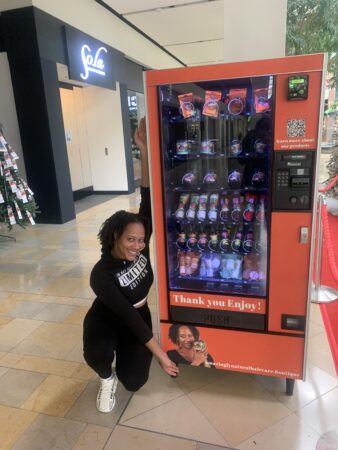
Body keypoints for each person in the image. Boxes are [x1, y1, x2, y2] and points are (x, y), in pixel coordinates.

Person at [83, 118, 179, 413]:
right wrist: (162, 355)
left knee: (135, 381)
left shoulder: (139, 246)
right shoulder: (102, 274)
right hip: (108, 317)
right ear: (115, 236)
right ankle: (105, 376)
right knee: (98, 353)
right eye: (131, 240)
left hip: (139, 313)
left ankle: (122, 372)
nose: (139, 247)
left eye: (141, 240)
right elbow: (126, 315)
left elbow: (147, 197)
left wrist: (145, 149)